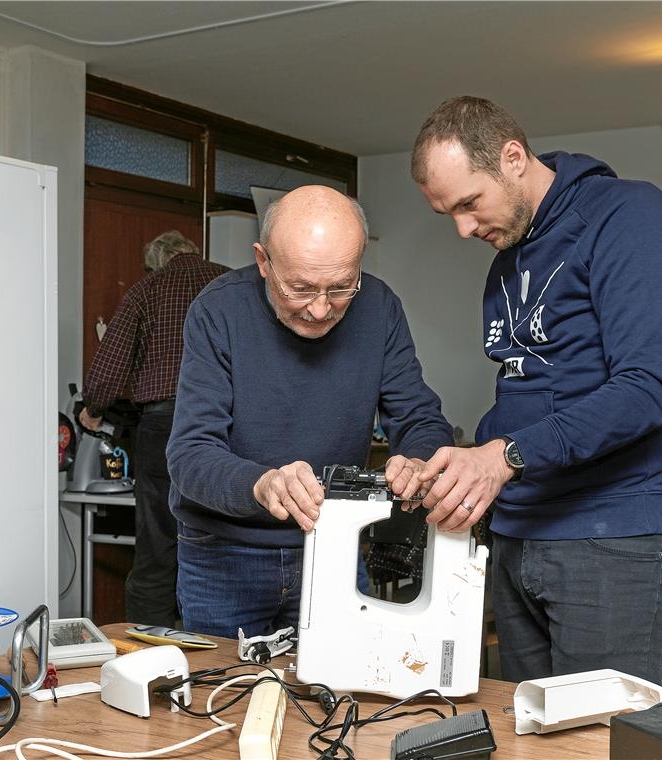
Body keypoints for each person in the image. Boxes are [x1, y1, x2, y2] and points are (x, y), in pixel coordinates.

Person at [403, 96, 662, 685]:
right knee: (525, 738)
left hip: (610, 541)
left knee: (600, 742)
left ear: (513, 158)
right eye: (449, 215)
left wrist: (506, 456)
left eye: (468, 204)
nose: (463, 229)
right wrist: (460, 463)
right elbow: (527, 387)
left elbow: (645, 389)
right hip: (517, 536)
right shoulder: (508, 252)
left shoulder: (629, 217)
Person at [165, 185, 453, 638]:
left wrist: (419, 459)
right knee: (221, 700)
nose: (320, 310)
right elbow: (190, 455)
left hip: (333, 543)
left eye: (340, 287)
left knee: (341, 700)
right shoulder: (217, 310)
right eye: (300, 288)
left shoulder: (379, 307)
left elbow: (420, 417)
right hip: (224, 558)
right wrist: (261, 484)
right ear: (264, 262)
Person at [81, 230, 229, 627]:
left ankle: (151, 644)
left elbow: (109, 366)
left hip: (165, 424)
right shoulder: (232, 283)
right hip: (230, 423)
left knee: (158, 539)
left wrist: (93, 408)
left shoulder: (146, 289)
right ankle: (219, 643)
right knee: (226, 533)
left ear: (157, 262)